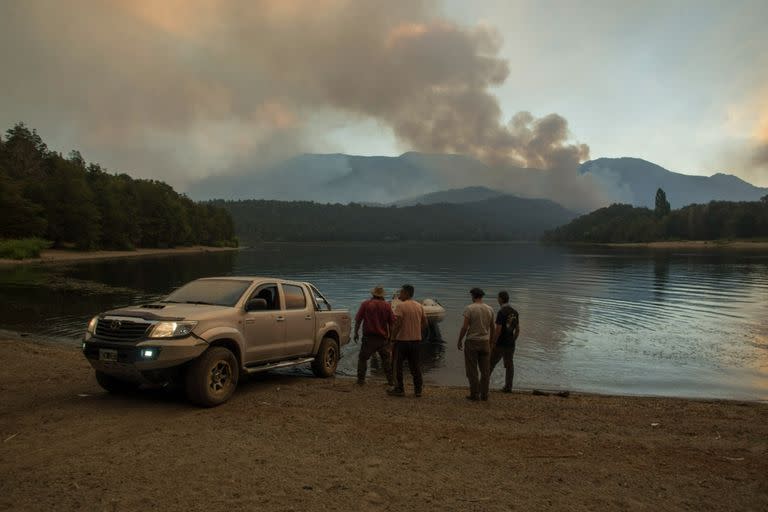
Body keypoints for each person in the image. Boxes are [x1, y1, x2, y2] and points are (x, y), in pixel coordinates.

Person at [387, 284, 427, 397]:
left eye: (401, 292)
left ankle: (399, 389)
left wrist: (392, 338)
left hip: (402, 341)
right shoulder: (419, 306)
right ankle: (418, 390)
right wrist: (417, 331)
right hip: (416, 341)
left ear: (406, 293)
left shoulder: (401, 306)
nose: (400, 294)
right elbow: (425, 323)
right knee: (415, 366)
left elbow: (398, 324)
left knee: (397, 366)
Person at [457, 287, 495, 401]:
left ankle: (474, 394)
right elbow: (492, 327)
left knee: (472, 369)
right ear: (482, 296)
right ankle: (485, 394)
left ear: (473, 296)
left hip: (472, 342)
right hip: (485, 342)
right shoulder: (490, 309)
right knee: (485, 370)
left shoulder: (469, 308)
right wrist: (491, 341)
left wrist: (459, 340)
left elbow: (465, 327)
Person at [354, 286, 395, 386]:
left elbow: (358, 320)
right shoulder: (387, 306)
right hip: (382, 338)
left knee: (363, 359)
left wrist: (356, 332)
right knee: (386, 360)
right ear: (382, 296)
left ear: (373, 294)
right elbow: (392, 323)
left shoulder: (366, 304)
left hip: (369, 338)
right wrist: (390, 338)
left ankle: (361, 380)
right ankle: (390, 381)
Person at [490, 290, 520, 393]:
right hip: (510, 344)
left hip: (500, 344)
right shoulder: (514, 312)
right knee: (509, 365)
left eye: (498, 298)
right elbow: (518, 330)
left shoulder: (501, 312)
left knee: (490, 364)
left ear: (501, 299)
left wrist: (493, 343)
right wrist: (513, 340)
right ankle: (508, 387)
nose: (497, 299)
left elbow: (498, 330)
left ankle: (483, 384)